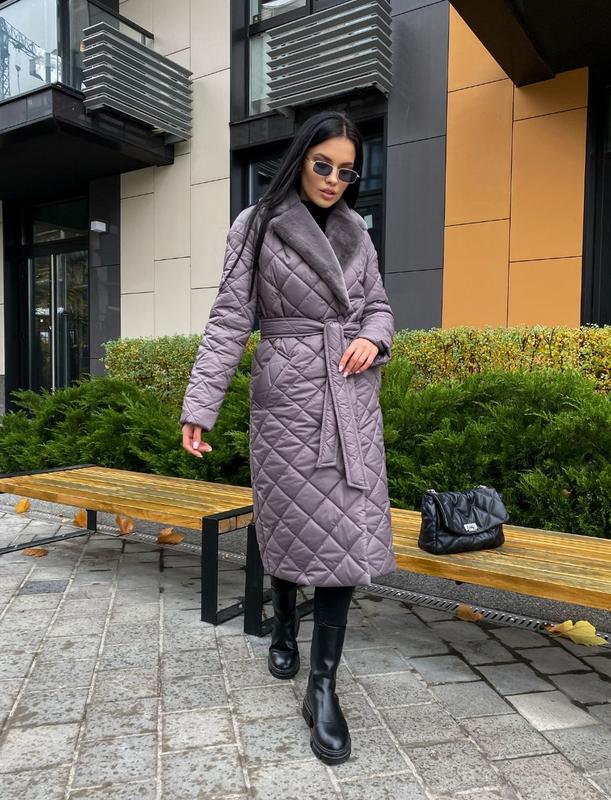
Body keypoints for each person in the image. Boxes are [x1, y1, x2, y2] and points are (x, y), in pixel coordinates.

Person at [180, 110, 396, 765]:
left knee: (344, 536)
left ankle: (322, 688)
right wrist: (202, 404)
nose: (333, 179)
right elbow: (229, 318)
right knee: (290, 524)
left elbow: (379, 307)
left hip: (351, 401)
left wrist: (373, 338)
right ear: (302, 158)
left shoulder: (358, 232)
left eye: (346, 171)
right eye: (322, 164)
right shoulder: (256, 225)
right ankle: (281, 623)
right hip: (288, 400)